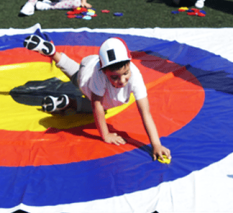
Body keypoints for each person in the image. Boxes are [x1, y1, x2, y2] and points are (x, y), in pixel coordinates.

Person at [23, 34, 171, 161]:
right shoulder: (99, 76)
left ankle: (53, 54)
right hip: (87, 73)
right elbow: (96, 105)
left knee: (77, 75)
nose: (122, 81)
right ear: (105, 72)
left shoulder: (134, 76)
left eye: (125, 74)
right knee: (78, 79)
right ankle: (71, 102)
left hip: (96, 61)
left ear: (130, 63)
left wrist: (156, 144)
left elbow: (145, 112)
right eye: (115, 77)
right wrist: (105, 134)